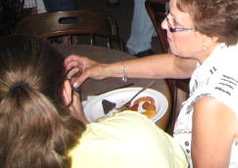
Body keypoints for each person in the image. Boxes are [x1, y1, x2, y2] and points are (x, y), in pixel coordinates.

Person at [65, 0, 238, 168]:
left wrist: (86, 131)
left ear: (209, 36)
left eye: (175, 22)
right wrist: (102, 69)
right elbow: (176, 65)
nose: (164, 25)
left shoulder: (213, 106)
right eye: (169, 14)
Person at [0, 34, 187, 168]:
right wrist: (82, 123)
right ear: (67, 92)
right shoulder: (136, 138)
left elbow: (182, 65)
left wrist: (104, 69)